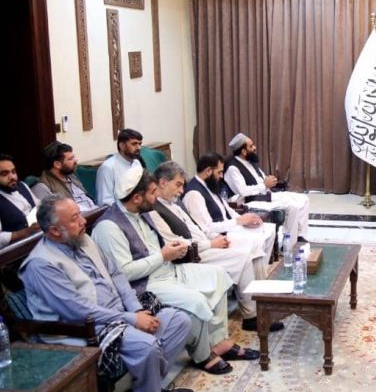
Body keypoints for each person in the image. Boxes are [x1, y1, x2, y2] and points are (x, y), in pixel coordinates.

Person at [19, 194, 194, 392]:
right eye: (74, 219)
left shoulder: (83, 239)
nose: (83, 221)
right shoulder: (41, 264)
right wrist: (131, 319)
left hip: (120, 314)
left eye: (80, 214)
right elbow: (77, 310)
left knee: (179, 321)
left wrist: (137, 310)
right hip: (88, 328)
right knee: (147, 347)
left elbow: (116, 274)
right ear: (55, 231)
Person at [92, 167, 260, 375]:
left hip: (169, 269)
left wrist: (174, 249)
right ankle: (203, 356)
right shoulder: (109, 227)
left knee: (218, 276)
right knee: (196, 300)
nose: (156, 198)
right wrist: (163, 256)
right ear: (136, 198)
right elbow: (124, 273)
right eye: (152, 193)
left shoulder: (141, 213)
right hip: (147, 284)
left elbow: (158, 246)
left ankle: (219, 342)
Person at [148, 160, 283, 332]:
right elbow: (176, 244)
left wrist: (215, 239)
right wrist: (210, 243)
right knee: (244, 257)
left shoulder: (174, 204)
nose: (181, 191)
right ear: (163, 182)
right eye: (178, 185)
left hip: (206, 244)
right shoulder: (155, 211)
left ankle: (264, 303)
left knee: (254, 249)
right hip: (191, 256)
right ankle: (252, 317)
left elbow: (196, 228)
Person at [184, 152, 277, 262]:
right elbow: (208, 229)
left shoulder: (210, 184)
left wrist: (245, 219)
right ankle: (254, 271)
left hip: (230, 227)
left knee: (269, 229)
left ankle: (262, 268)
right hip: (219, 236)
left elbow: (227, 209)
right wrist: (238, 221)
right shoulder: (194, 194)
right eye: (219, 172)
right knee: (256, 241)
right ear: (208, 171)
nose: (221, 176)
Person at [223, 132, 310, 242]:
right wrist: (264, 185)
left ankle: (300, 236)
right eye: (251, 146)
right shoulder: (233, 168)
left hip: (266, 195)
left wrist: (270, 181)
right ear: (244, 151)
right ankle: (289, 242)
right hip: (251, 201)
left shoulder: (250, 162)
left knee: (304, 199)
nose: (254, 148)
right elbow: (243, 191)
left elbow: (262, 180)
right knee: (293, 206)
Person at [0, 153, 41, 250]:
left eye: (13, 172)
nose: (12, 177)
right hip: (16, 252)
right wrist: (24, 233)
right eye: (4, 174)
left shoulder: (22, 185)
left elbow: (38, 206)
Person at [32, 141, 98, 212]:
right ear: (57, 164)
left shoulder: (71, 176)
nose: (75, 160)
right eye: (70, 159)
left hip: (95, 212)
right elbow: (50, 215)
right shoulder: (42, 187)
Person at [96, 128, 145, 207]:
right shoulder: (108, 167)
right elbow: (105, 201)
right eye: (134, 144)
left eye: (140, 144)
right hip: (119, 211)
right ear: (122, 146)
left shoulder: (137, 163)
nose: (138, 147)